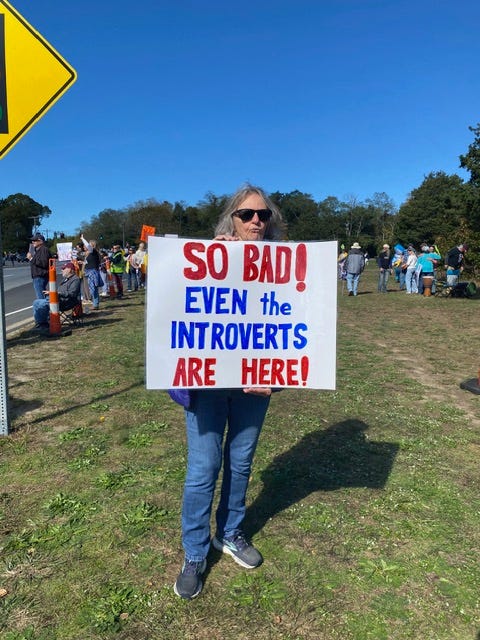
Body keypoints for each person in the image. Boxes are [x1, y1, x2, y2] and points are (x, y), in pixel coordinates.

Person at [173, 184, 285, 600]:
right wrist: (211, 261)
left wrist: (275, 376)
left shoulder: (285, 266)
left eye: (263, 215)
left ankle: (231, 532)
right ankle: (195, 552)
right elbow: (176, 307)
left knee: (241, 463)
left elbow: (292, 328)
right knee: (203, 470)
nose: (256, 220)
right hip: (208, 386)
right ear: (231, 219)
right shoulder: (206, 258)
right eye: (247, 214)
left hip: (254, 386)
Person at [32, 262, 81, 333]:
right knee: (36, 302)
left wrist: (56, 293)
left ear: (70, 269)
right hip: (58, 299)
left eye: (64, 269)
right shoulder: (65, 279)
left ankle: (43, 324)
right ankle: (40, 323)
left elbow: (72, 293)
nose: (62, 270)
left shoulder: (75, 279)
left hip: (66, 302)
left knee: (42, 304)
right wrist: (51, 293)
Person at [80, 235, 103, 310]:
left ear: (92, 245)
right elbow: (89, 262)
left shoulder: (93, 251)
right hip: (89, 272)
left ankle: (95, 304)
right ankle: (95, 304)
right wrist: (83, 263)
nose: (86, 246)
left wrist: (83, 238)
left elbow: (88, 246)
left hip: (93, 272)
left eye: (89, 244)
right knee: (92, 289)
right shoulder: (90, 253)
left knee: (94, 289)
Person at [27, 232, 51, 299]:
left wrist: (31, 258)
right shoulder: (39, 250)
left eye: (35, 240)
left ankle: (45, 305)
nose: (33, 242)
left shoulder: (43, 249)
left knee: (41, 297)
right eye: (32, 241)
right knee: (43, 295)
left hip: (40, 276)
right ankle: (49, 303)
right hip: (39, 276)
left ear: (40, 241)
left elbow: (44, 263)